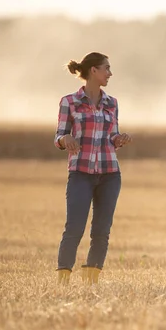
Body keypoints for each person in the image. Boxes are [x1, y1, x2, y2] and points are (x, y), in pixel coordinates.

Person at [54, 52, 132, 285]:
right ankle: (63, 281)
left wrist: (119, 139)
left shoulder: (112, 103)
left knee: (101, 231)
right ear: (93, 71)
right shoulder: (69, 102)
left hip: (109, 174)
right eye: (106, 68)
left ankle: (91, 282)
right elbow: (58, 135)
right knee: (74, 228)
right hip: (81, 173)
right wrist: (64, 139)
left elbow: (112, 135)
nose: (110, 73)